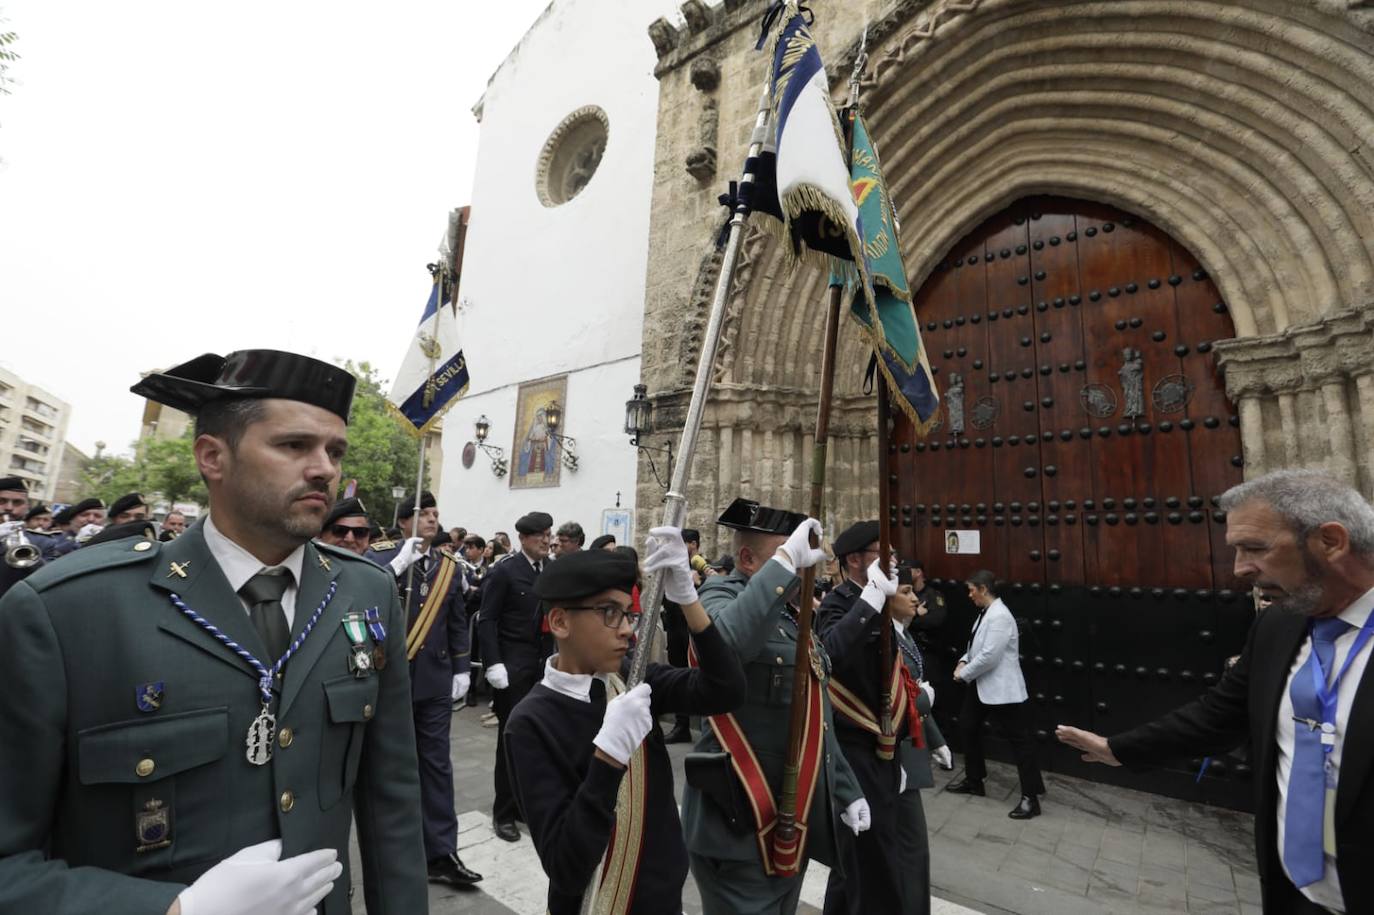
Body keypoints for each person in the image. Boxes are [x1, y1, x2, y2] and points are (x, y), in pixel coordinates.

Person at [0, 348, 427, 913]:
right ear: (212, 458)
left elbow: (391, 801)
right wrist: (179, 911)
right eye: (294, 445)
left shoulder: (365, 592)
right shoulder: (69, 610)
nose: (325, 467)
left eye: (335, 451)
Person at [1057, 469, 1374, 914]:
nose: (1240, 568)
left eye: (1256, 548)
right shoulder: (1277, 625)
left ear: (1332, 541)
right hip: (1296, 896)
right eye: (1237, 550)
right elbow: (1220, 715)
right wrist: (1119, 749)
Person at [506, 533, 746, 914]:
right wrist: (608, 757)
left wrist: (688, 599)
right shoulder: (530, 722)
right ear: (560, 621)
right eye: (609, 613)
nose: (627, 629)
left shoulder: (632, 682)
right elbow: (566, 867)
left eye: (628, 614)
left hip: (663, 896)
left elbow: (726, 690)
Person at [681, 498, 869, 915]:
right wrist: (784, 564)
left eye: (800, 555)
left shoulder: (788, 615)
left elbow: (813, 721)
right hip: (739, 817)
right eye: (787, 554)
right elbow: (723, 649)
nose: (801, 567)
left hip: (791, 814)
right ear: (748, 559)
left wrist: (846, 789)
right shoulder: (720, 592)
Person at [366, 491, 481, 888]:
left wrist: (462, 667)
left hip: (433, 679)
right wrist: (398, 566)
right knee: (389, 765)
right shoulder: (379, 558)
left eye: (435, 513)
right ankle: (393, 847)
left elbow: (457, 618)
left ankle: (441, 851)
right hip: (389, 681)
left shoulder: (449, 565)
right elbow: (361, 600)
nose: (432, 519)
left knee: (436, 765)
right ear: (402, 522)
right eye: (423, 513)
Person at [813, 520, 907, 915]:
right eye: (882, 555)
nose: (893, 563)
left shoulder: (885, 602)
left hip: (882, 748)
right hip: (853, 747)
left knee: (859, 859)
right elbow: (828, 654)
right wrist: (869, 600)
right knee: (873, 859)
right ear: (854, 560)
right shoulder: (839, 604)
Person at [946, 570, 1045, 818]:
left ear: (983, 589)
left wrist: (963, 673)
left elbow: (990, 656)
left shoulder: (1000, 616)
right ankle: (974, 780)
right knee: (968, 727)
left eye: (971, 590)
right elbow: (975, 646)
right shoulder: (986, 614)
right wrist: (962, 660)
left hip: (1002, 691)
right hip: (982, 687)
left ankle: (1030, 798)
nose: (969, 595)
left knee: (1020, 742)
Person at [478, 509, 552, 842]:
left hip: (541, 668)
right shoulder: (505, 571)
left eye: (549, 535)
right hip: (512, 668)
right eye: (540, 536)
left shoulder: (550, 570)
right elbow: (487, 619)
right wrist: (493, 663)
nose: (546, 541)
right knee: (510, 741)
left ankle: (524, 804)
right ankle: (503, 812)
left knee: (536, 741)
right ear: (523, 538)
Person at [894, 564, 950, 915]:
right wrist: (925, 698)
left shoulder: (904, 635)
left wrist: (937, 740)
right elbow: (904, 695)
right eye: (904, 592)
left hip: (910, 747)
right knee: (911, 847)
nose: (914, 598)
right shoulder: (885, 639)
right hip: (895, 754)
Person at [906, 559, 949, 684]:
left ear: (918, 572)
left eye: (908, 570)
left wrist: (911, 620)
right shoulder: (903, 595)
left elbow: (935, 620)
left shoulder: (934, 595)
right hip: (908, 648)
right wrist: (916, 614)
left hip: (928, 650)